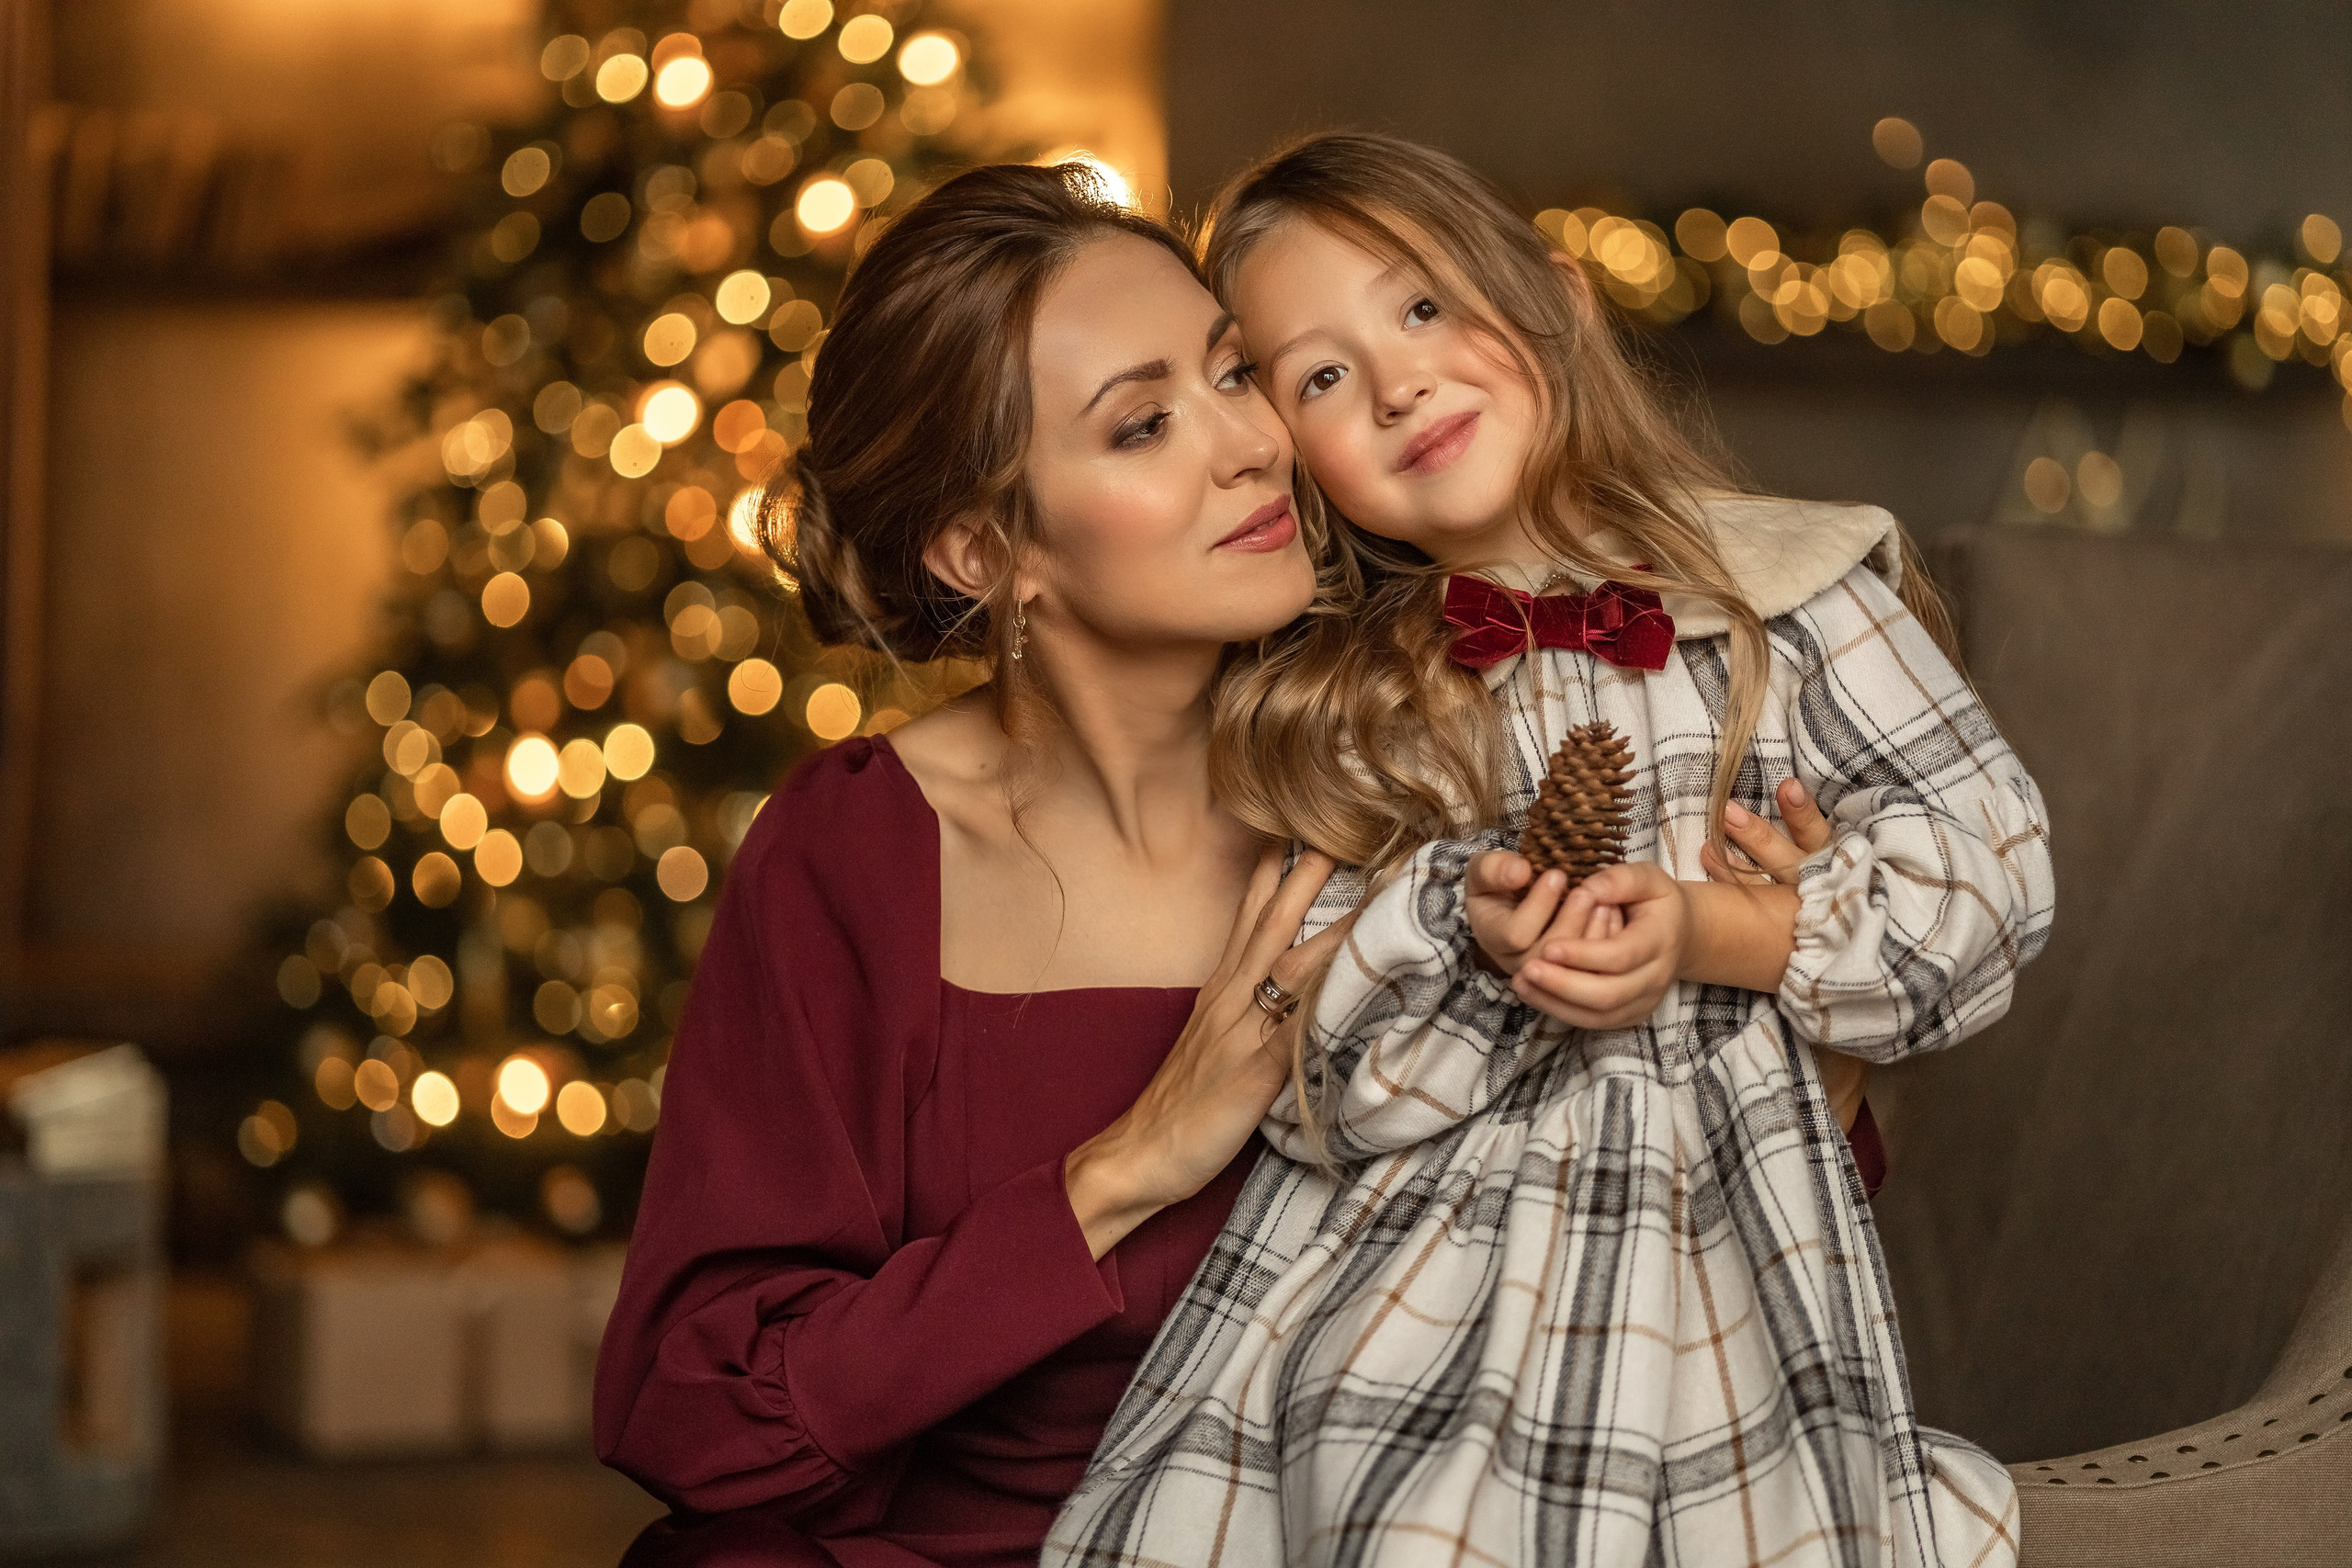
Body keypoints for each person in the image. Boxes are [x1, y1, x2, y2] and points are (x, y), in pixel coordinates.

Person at [1048, 132, 2054, 1567]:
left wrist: (1724, 931)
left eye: (1423, 307)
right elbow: (1325, 1083)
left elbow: (1992, 882)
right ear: (1295, 459)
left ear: (1560, 304)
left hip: (1709, 1252)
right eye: (1319, 377)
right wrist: (1472, 929)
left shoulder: (1798, 597)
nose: (1396, 382)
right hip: (1403, 1278)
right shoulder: (1358, 706)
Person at [591, 162, 1357, 1568]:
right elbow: (704, 1417)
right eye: (1142, 426)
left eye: (1236, 373)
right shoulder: (857, 855)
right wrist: (1128, 1167)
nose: (1252, 445)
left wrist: (1770, 965)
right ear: (987, 549)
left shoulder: (1399, 772)